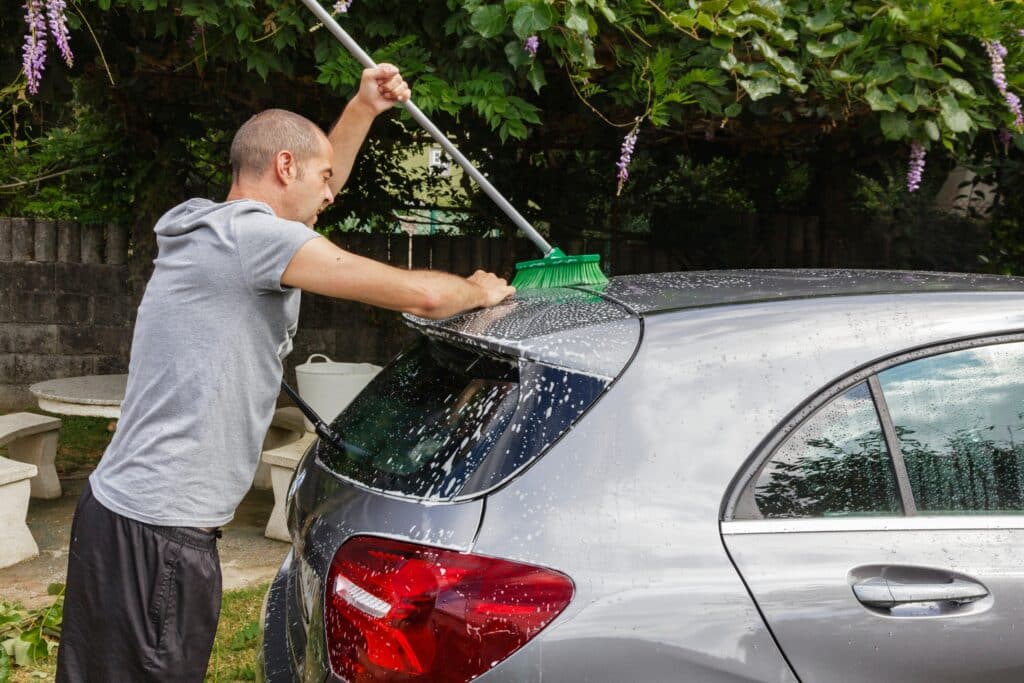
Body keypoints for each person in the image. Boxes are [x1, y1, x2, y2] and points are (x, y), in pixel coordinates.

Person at [55, 64, 514, 682]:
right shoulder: (253, 240)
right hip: (158, 538)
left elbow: (315, 194)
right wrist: (475, 290)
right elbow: (419, 296)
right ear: (284, 168)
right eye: (323, 179)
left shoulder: (210, 225)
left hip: (121, 517)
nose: (331, 195)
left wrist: (363, 107)